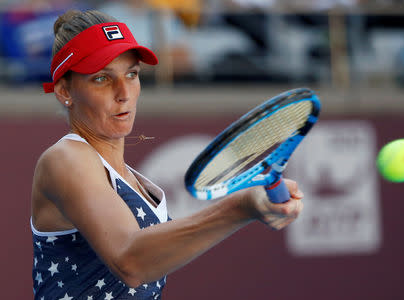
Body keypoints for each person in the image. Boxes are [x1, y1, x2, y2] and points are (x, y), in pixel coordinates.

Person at [31, 9, 304, 300]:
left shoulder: (136, 182)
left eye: (132, 74)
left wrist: (254, 201)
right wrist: (241, 207)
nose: (123, 92)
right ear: (64, 91)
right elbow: (131, 262)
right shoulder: (64, 159)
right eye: (101, 78)